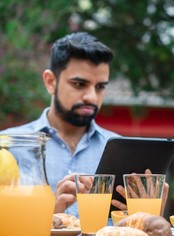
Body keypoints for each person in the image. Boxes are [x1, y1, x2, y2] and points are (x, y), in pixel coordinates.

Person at [1, 32, 126, 216]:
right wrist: (50, 217)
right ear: (50, 82)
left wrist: (149, 214)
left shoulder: (121, 149)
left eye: (100, 87)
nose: (91, 96)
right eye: (79, 84)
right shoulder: (7, 146)